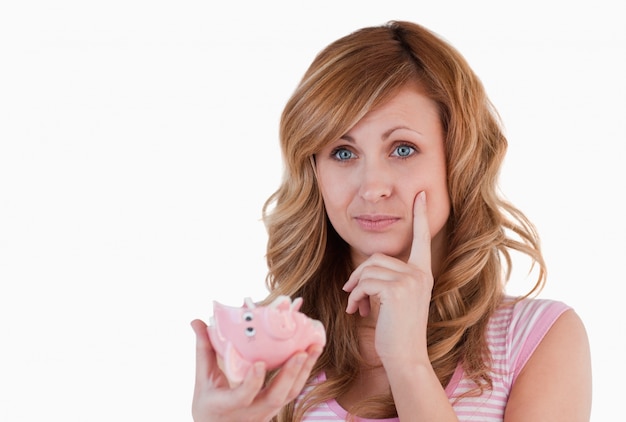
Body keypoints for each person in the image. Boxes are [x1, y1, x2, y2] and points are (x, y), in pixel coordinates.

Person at [190, 20, 592, 421]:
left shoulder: (537, 340)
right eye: (343, 153)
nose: (372, 187)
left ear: (458, 161)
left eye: (402, 148)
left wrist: (408, 363)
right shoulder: (272, 348)